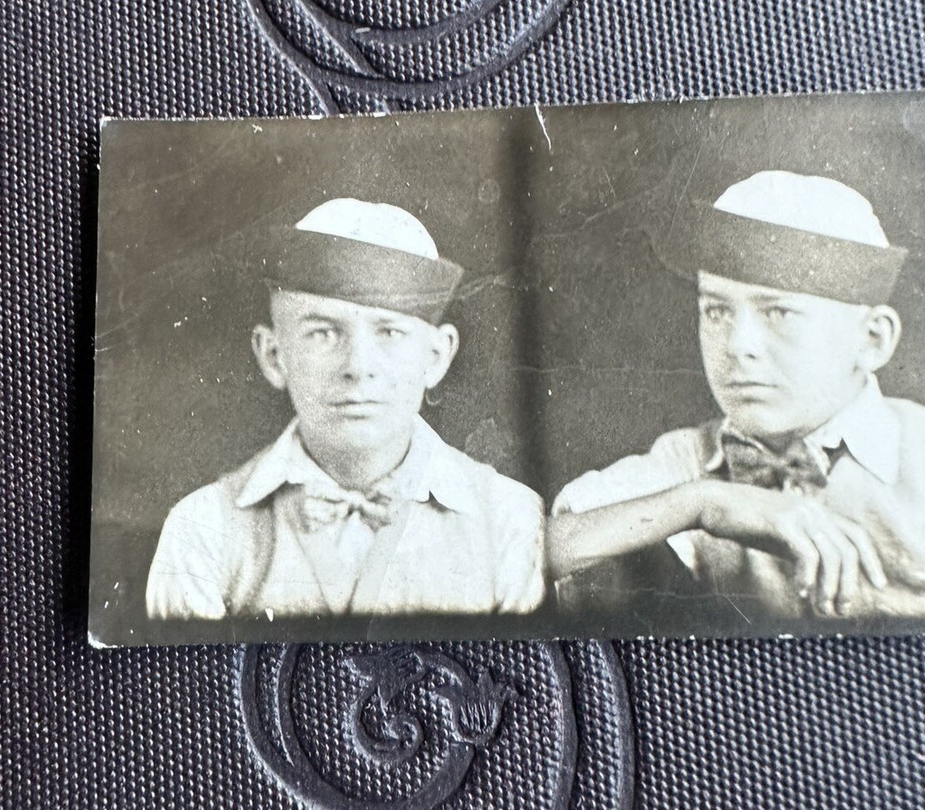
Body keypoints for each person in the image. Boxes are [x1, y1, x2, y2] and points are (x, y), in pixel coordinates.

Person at [548, 170, 925, 621]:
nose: (738, 345)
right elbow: (537, 552)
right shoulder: (689, 462)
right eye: (716, 311)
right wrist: (704, 502)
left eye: (779, 313)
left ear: (873, 339)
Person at [146, 198, 545, 620]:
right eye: (323, 333)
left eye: (389, 332)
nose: (358, 367)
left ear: (435, 356)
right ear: (273, 356)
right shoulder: (203, 529)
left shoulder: (512, 521)